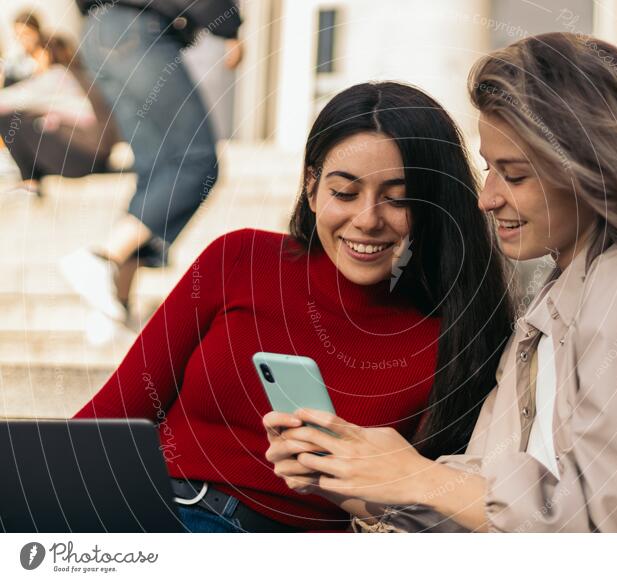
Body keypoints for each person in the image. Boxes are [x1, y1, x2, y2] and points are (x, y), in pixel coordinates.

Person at [266, 33, 617, 533]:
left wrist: (416, 475)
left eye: (514, 175)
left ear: (593, 172)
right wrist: (349, 471)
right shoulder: (557, 302)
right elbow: (485, 496)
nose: (487, 197)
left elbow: (608, 524)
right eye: (489, 169)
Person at [73, 82, 513, 532]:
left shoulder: (457, 334)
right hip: (159, 510)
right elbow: (113, 416)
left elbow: (418, 519)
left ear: (431, 204)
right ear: (311, 188)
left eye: (398, 199)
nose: (367, 220)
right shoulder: (239, 259)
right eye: (344, 192)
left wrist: (335, 479)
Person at [60, 0, 245, 323]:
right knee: (197, 160)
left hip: (101, 29)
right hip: (135, 30)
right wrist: (228, 26)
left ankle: (115, 304)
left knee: (158, 169)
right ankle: (102, 258)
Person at [0, 34, 119, 197]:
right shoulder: (80, 74)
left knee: (8, 118)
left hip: (83, 158)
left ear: (47, 54)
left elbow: (7, 102)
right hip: (100, 158)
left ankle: (30, 181)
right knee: (32, 121)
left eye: (35, 54)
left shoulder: (56, 76)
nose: (32, 61)